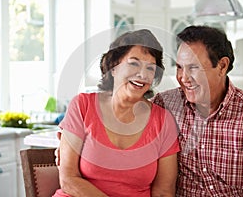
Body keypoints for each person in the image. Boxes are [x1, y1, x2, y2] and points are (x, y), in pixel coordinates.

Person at [152, 25, 243, 196]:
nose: (183, 78)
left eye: (194, 67)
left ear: (222, 66)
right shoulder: (164, 105)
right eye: (179, 67)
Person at [52, 29, 180, 197]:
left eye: (150, 68)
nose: (142, 74)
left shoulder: (163, 121)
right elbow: (68, 179)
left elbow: (163, 192)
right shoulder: (82, 105)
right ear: (113, 68)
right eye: (134, 63)